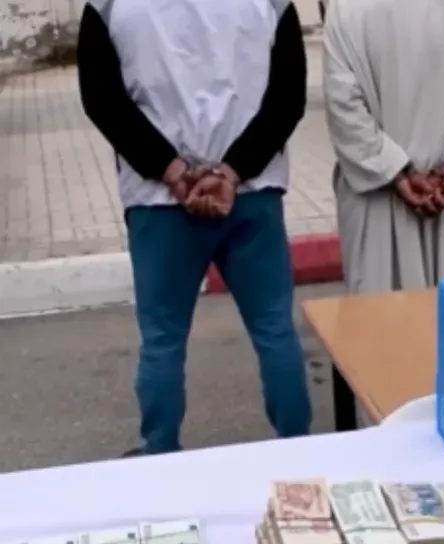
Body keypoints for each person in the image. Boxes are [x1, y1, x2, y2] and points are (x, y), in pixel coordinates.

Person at [76, 0, 312, 455]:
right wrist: (231, 172)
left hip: (159, 200)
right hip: (251, 192)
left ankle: (161, 452)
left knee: (162, 339)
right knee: (274, 330)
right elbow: (288, 96)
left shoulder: (106, 6)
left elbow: (102, 99)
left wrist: (172, 171)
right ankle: (297, 451)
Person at [322, 0, 444, 293]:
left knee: (381, 315)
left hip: (379, 198)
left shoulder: (347, 7)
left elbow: (343, 102)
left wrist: (395, 170)